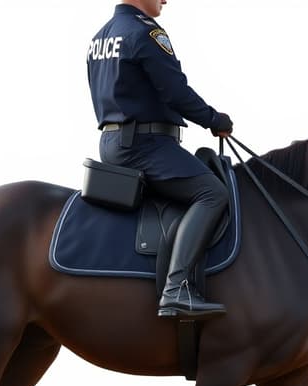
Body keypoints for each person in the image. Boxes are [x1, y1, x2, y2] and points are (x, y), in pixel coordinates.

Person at [87, 0, 233, 320]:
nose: (166, 0)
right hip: (146, 146)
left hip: (112, 143)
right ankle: (177, 289)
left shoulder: (100, 38)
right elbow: (175, 93)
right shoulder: (146, 33)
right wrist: (214, 120)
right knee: (213, 193)